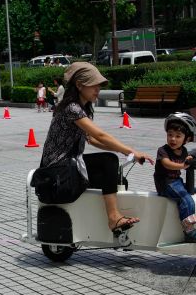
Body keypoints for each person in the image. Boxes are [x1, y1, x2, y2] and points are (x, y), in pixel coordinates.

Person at [40, 62, 153, 234]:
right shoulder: (72, 108)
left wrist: (124, 152)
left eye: (99, 85)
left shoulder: (80, 107)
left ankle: (113, 226)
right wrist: (130, 151)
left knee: (116, 179)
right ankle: (113, 218)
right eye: (94, 85)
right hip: (57, 171)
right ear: (79, 85)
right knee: (109, 161)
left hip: (67, 166)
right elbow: (100, 136)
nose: (98, 89)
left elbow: (92, 139)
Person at [154, 113, 196, 243]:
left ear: (186, 139)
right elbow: (167, 163)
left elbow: (188, 155)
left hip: (175, 182)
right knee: (186, 198)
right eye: (170, 135)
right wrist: (182, 166)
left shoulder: (183, 150)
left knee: (194, 191)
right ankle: (189, 231)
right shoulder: (163, 151)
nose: (173, 139)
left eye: (178, 136)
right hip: (165, 184)